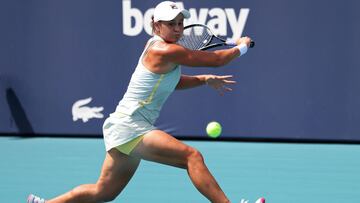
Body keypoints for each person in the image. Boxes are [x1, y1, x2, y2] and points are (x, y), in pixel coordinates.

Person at [28, 1, 264, 203]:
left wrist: (203, 79)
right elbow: (215, 60)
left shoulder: (160, 47)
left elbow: (172, 81)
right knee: (192, 156)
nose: (178, 28)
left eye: (180, 23)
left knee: (104, 192)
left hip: (123, 127)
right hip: (132, 126)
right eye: (171, 24)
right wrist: (242, 47)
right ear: (156, 25)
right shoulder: (163, 50)